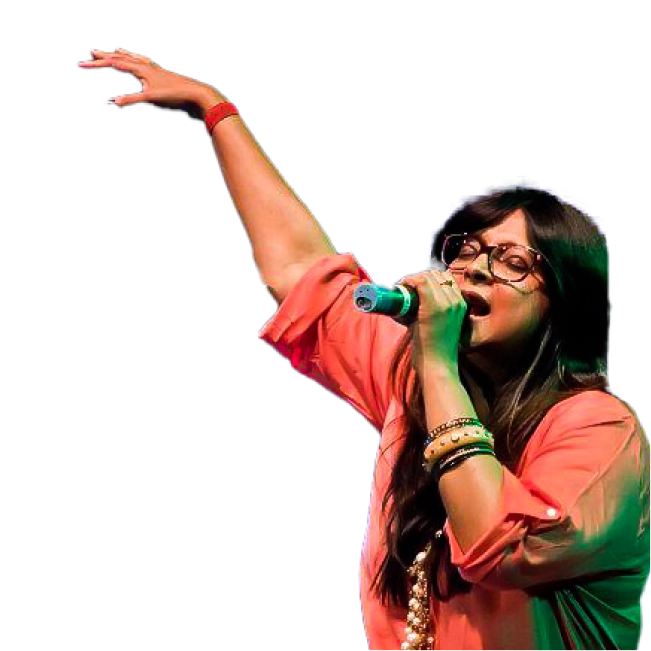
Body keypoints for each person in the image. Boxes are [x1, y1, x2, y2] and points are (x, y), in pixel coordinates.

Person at [78, 48, 651, 651]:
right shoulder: (413, 381)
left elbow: (494, 545)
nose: (475, 270)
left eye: (512, 262)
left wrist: (434, 362)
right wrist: (213, 108)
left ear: (563, 303)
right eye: (466, 249)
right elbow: (302, 271)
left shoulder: (597, 429)